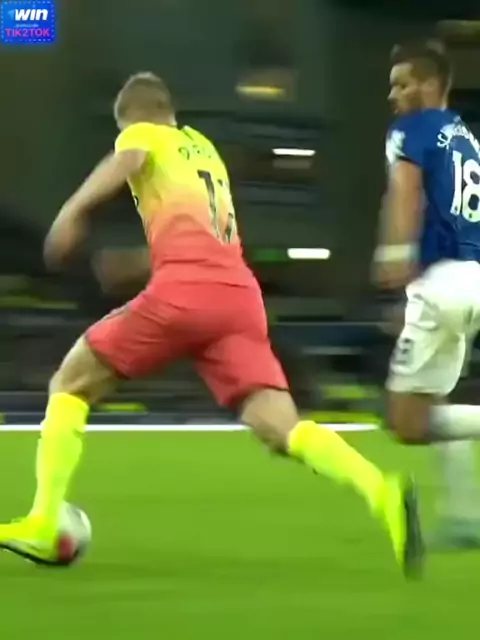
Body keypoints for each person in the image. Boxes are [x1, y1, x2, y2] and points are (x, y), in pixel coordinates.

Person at [0, 72, 422, 576]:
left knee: (69, 384)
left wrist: (72, 213)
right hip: (237, 298)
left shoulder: (143, 134)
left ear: (133, 117)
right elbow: (201, 238)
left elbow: (127, 159)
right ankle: (381, 490)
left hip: (186, 292)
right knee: (281, 427)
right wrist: (136, 263)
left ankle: (46, 521)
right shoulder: (203, 150)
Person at [373, 39, 480, 548]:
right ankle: (466, 518)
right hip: (472, 279)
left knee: (406, 421)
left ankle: (465, 517)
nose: (393, 95)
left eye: (403, 83)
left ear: (432, 84)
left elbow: (405, 190)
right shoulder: (466, 139)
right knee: (436, 401)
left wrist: (394, 253)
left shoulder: (411, 130)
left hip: (442, 282)